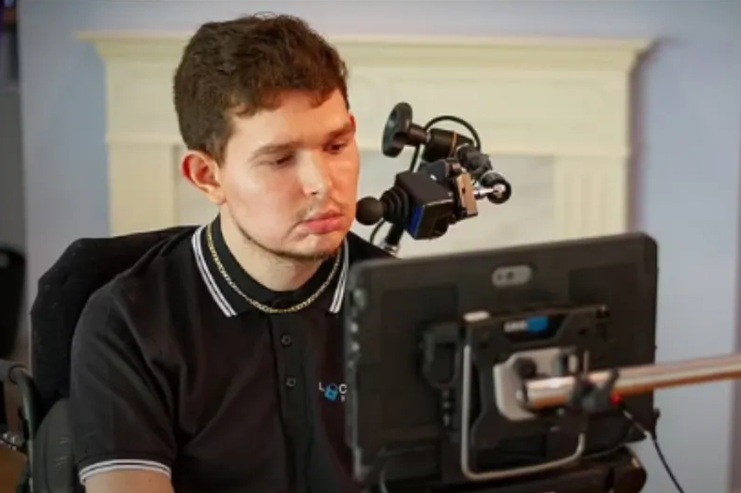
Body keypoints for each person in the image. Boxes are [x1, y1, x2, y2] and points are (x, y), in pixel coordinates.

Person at [69, 13, 390, 493]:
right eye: (280, 159)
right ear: (208, 176)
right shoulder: (128, 322)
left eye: (337, 144)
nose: (323, 184)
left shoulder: (406, 302)